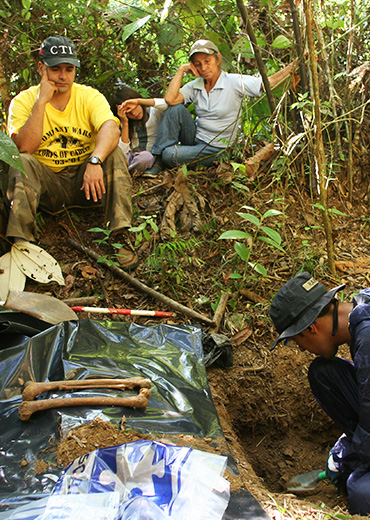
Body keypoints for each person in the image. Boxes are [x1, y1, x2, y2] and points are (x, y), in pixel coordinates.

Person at [6, 35, 138, 270]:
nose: (62, 76)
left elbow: (111, 127)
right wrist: (41, 103)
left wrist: (95, 161)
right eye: (55, 69)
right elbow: (24, 148)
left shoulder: (88, 96)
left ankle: (119, 234)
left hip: (86, 183)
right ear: (41, 68)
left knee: (115, 154)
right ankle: (23, 245)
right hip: (48, 184)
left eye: (69, 69)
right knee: (22, 162)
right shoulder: (23, 101)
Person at [269, 271, 370, 515]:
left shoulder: (368, 338)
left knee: (360, 493)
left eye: (296, 341)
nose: (302, 349)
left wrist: (351, 459)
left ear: (312, 328)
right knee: (323, 373)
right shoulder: (361, 308)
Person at [143, 38, 297, 177]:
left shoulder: (233, 82)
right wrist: (181, 70)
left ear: (218, 59)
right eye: (197, 64)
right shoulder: (195, 86)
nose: (203, 67)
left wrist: (295, 65)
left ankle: (165, 157)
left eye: (207, 61)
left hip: (217, 147)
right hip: (196, 138)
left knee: (170, 155)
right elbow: (170, 99)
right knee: (175, 108)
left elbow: (267, 83)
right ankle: (157, 158)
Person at [111, 86, 167, 178]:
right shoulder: (123, 122)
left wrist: (139, 101)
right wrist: (125, 122)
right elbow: (122, 152)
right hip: (131, 157)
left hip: (147, 158)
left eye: (133, 108)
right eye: (128, 112)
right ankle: (122, 172)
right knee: (116, 158)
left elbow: (169, 104)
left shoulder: (155, 112)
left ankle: (123, 174)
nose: (133, 113)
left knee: (146, 157)